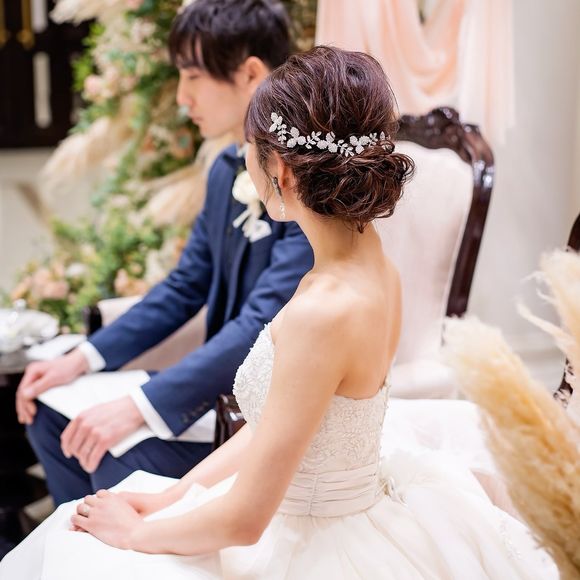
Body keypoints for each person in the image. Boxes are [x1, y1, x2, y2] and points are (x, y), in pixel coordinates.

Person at [1, 46, 557, 580]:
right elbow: (279, 426)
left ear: (282, 171)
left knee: (78, 551)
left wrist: (135, 534)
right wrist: (171, 497)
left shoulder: (323, 311)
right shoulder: (375, 267)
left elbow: (245, 521)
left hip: (310, 543)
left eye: (251, 146)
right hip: (334, 507)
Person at [14, 0, 313, 505]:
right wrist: (81, 358)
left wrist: (140, 406)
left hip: (263, 406)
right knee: (51, 419)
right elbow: (184, 285)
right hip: (215, 383)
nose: (181, 97)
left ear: (250, 74)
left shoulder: (306, 183)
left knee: (107, 454)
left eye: (192, 76)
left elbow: (262, 323)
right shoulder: (226, 168)